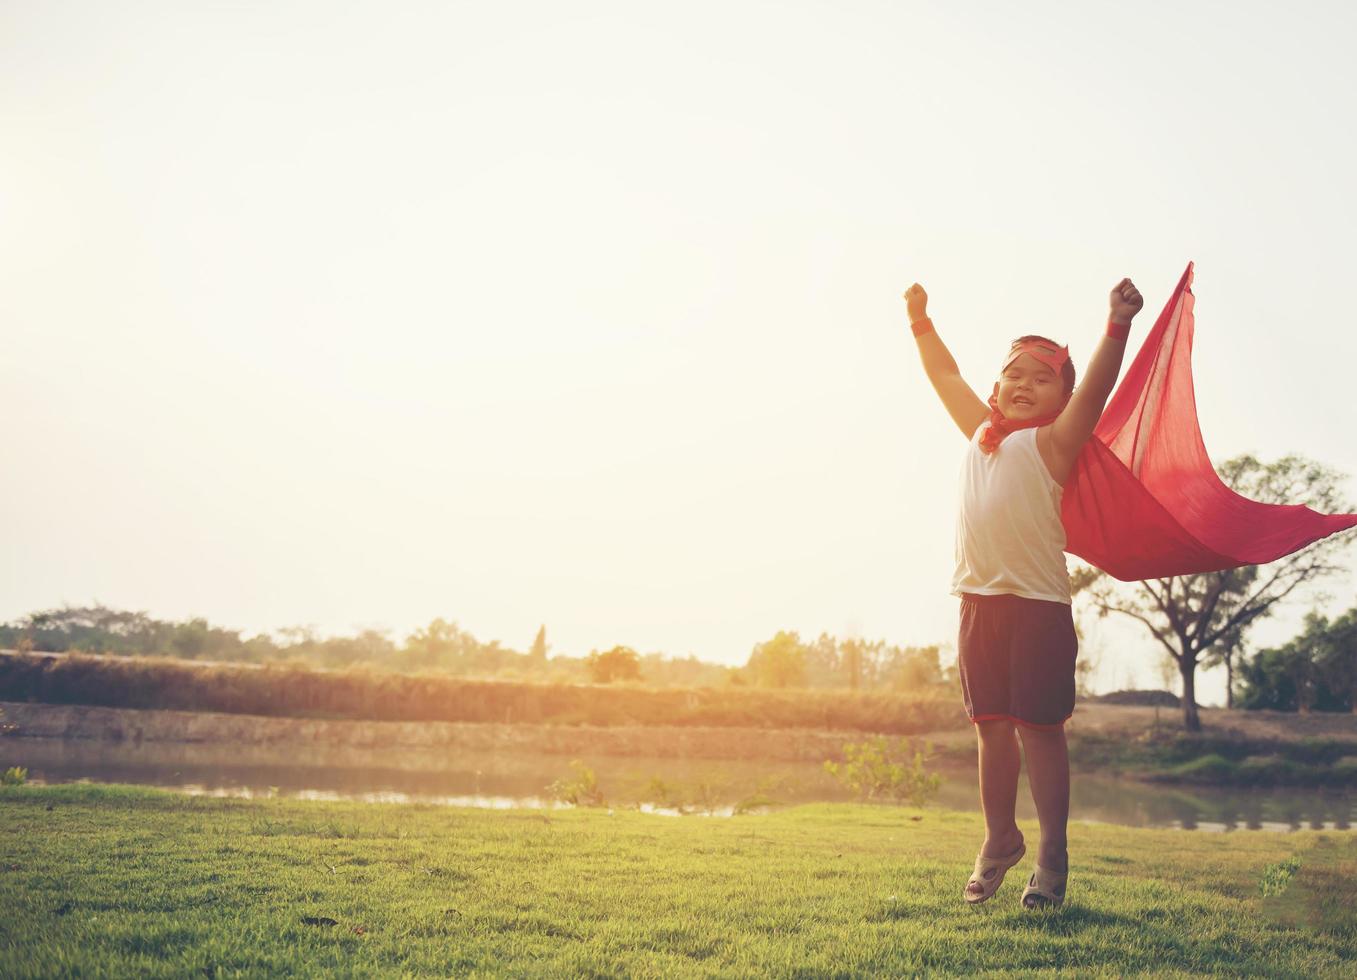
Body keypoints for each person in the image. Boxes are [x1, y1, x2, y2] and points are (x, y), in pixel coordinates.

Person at [904, 276, 1144, 909]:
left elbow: (1097, 388)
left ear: (1059, 399)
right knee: (989, 728)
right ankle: (999, 839)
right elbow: (945, 375)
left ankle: (1052, 854)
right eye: (1015, 373)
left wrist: (1115, 324)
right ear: (997, 385)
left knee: (1039, 732)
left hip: (1037, 609)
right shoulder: (977, 432)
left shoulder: (1053, 443)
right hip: (977, 604)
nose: (1024, 384)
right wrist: (919, 320)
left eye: (1042, 379)